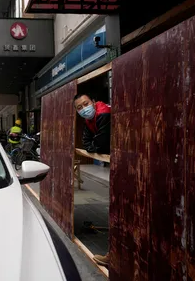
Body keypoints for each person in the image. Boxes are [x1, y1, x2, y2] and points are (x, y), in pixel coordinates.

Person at [74, 93, 111, 266]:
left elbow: (102, 144)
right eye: (79, 107)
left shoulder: (103, 114)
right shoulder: (89, 121)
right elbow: (86, 143)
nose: (84, 109)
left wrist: (94, 146)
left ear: (94, 102)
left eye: (86, 104)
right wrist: (93, 146)